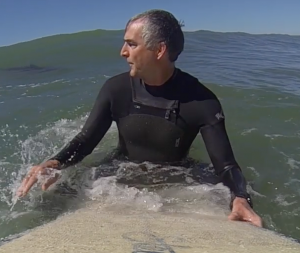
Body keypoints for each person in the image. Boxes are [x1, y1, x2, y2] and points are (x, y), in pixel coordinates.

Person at [17, 9, 262, 227]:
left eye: (131, 44)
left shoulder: (202, 101)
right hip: (118, 173)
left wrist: (241, 197)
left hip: (177, 179)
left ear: (159, 50)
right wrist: (55, 163)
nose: (122, 52)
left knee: (221, 203)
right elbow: (85, 140)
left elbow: (226, 165)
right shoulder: (116, 89)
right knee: (55, 197)